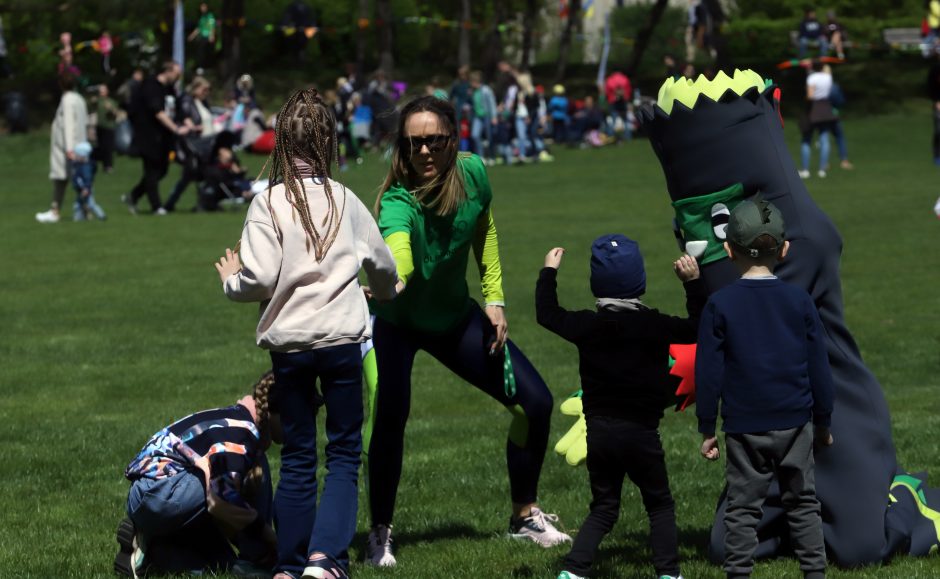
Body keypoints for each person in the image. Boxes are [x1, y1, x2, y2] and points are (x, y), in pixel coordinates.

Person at [365, 95, 570, 568]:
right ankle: (380, 532)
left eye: (433, 141)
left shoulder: (474, 172)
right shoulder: (399, 201)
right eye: (414, 143)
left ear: (452, 141)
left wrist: (494, 299)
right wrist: (391, 281)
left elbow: (485, 229)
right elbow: (401, 253)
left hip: (455, 317)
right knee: (390, 420)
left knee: (535, 401)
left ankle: (524, 514)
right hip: (396, 324)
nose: (424, 153)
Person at [214, 87, 399, 579]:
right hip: (341, 342)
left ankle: (289, 564)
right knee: (342, 454)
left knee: (297, 455)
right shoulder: (345, 199)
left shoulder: (268, 203)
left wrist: (231, 280)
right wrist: (387, 289)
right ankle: (325, 560)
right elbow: (381, 263)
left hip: (291, 348)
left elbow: (257, 279)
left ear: (278, 143)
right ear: (328, 142)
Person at [536, 237, 704, 579]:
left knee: (604, 508)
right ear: (640, 281)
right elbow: (698, 327)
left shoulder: (587, 325)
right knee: (659, 505)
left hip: (600, 435)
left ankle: (573, 571)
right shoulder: (655, 325)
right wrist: (693, 284)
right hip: (642, 435)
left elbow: (547, 314)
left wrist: (548, 272)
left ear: (596, 283)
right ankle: (668, 573)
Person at [695, 198, 834, 579]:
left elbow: (708, 371)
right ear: (784, 249)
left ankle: (739, 573)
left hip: (744, 425)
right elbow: (818, 366)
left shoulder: (719, 305)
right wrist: (823, 421)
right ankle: (814, 574)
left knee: (742, 508)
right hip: (795, 421)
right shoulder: (798, 300)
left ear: (727, 250)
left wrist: (707, 425)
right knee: (803, 502)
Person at [115, 372, 279, 578]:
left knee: (221, 565)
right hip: (156, 494)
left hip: (158, 494)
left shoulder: (237, 420)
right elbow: (220, 499)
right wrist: (266, 535)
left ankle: (153, 551)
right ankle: (258, 556)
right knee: (248, 474)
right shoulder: (239, 433)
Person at [125, 61, 188, 215]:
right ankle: (156, 206)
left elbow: (177, 110)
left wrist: (187, 123)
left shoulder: (170, 89)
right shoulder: (151, 86)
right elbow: (158, 112)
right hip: (149, 136)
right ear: (167, 71)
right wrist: (176, 129)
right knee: (151, 170)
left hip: (164, 138)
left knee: (163, 170)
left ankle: (133, 195)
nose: (178, 77)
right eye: (176, 73)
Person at [36, 71, 87, 224]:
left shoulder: (67, 100)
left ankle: (59, 211)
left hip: (66, 148)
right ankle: (60, 209)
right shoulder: (79, 99)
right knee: (68, 180)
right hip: (79, 145)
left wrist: (70, 148)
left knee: (71, 180)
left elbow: (69, 125)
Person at [165, 76, 217, 212]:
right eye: (204, 89)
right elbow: (186, 118)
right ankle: (198, 203)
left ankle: (202, 202)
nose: (206, 92)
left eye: (208, 90)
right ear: (195, 88)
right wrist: (194, 128)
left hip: (206, 143)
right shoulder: (188, 101)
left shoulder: (203, 103)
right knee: (191, 174)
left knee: (195, 175)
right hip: (193, 144)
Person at [798, 61, 836, 179]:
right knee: (824, 139)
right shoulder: (828, 77)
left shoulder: (812, 77)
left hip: (813, 109)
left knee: (806, 140)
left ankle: (805, 170)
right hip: (826, 108)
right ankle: (822, 170)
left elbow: (810, 95)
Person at [70, 141, 107, 221]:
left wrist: (86, 188)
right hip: (81, 190)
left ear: (82, 156)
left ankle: (101, 216)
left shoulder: (86, 168)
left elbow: (88, 179)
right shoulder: (79, 164)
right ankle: (78, 218)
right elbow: (74, 165)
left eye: (77, 155)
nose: (76, 156)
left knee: (90, 204)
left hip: (85, 190)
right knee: (79, 204)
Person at [469, 70, 498, 164]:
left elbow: (492, 103)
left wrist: (494, 116)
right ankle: (481, 156)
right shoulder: (473, 91)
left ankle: (492, 157)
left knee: (490, 138)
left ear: (475, 81)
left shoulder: (486, 90)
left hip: (487, 116)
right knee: (475, 135)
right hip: (477, 117)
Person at [94, 83, 119, 173]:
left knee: (108, 147)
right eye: (100, 91)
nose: (101, 93)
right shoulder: (97, 101)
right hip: (100, 127)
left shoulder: (111, 102)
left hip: (109, 127)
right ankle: (99, 164)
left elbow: (116, 114)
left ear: (107, 92)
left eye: (103, 91)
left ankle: (108, 166)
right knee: (100, 147)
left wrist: (110, 108)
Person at [189, 2, 216, 69]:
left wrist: (211, 35)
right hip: (202, 37)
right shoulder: (201, 17)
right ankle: (201, 66)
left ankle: (209, 67)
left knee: (208, 52)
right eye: (201, 7)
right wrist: (192, 36)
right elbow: (199, 28)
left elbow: (212, 26)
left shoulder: (210, 16)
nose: (202, 8)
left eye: (204, 7)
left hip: (208, 37)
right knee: (200, 52)